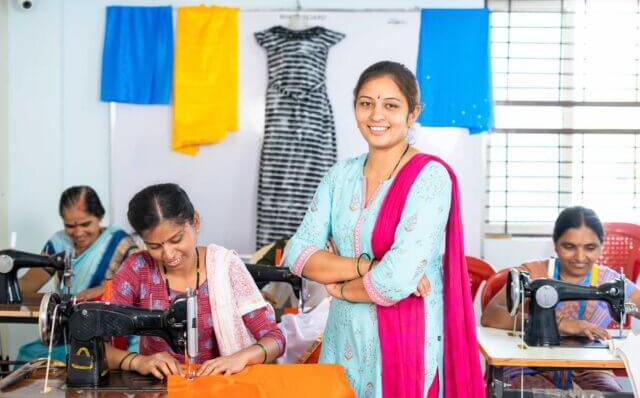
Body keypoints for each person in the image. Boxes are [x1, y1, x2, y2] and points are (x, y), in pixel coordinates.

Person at [283, 61, 484, 397]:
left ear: (412, 113)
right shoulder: (339, 176)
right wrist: (367, 267)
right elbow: (297, 253)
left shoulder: (430, 178)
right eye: (366, 103)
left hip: (406, 334)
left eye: (391, 105)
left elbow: (395, 282)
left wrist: (340, 288)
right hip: (343, 336)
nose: (376, 116)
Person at [107, 183, 285, 379]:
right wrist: (138, 361)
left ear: (196, 222)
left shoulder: (225, 267)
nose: (168, 254)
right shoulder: (137, 269)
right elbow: (97, 347)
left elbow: (276, 339)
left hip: (222, 386)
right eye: (154, 246)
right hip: (159, 387)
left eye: (176, 240)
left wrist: (239, 358)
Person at [482, 206, 640, 392]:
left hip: (589, 369)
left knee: (611, 395)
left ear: (600, 247)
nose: (580, 257)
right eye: (569, 246)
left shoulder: (607, 280)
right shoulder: (532, 273)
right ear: (556, 244)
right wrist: (559, 324)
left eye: (590, 248)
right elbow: (490, 316)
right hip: (528, 366)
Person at [18, 185, 138, 362]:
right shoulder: (59, 243)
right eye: (70, 226)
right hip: (67, 330)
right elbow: (27, 286)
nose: (78, 232)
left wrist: (104, 289)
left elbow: (142, 284)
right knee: (28, 355)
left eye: (85, 224)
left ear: (99, 217)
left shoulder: (120, 243)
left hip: (109, 333)